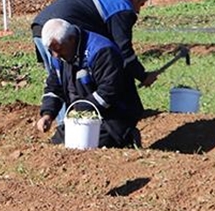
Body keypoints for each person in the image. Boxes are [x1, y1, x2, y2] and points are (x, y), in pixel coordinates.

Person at [36, 18, 144, 148]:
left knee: (89, 145)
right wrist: (48, 114)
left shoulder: (101, 51)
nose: (55, 55)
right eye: (51, 51)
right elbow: (54, 87)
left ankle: (128, 136)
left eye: (58, 49)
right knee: (59, 144)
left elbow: (109, 92)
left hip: (113, 115)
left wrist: (81, 110)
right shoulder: (59, 56)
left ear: (72, 39)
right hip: (82, 117)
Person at [30, 0, 155, 87]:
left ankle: (66, 112)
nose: (138, 11)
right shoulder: (122, 7)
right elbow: (123, 49)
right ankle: (71, 114)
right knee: (64, 83)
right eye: (140, 4)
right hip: (59, 32)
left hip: (40, 27)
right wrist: (142, 76)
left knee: (58, 81)